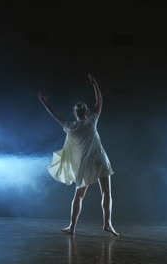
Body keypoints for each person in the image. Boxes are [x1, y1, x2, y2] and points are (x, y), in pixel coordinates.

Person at [38, 74, 119, 236]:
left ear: (75, 114)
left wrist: (44, 102)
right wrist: (95, 83)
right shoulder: (92, 121)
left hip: (86, 164)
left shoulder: (70, 126)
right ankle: (107, 223)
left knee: (79, 196)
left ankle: (72, 227)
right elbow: (99, 101)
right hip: (100, 160)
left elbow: (55, 116)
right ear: (86, 112)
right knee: (107, 193)